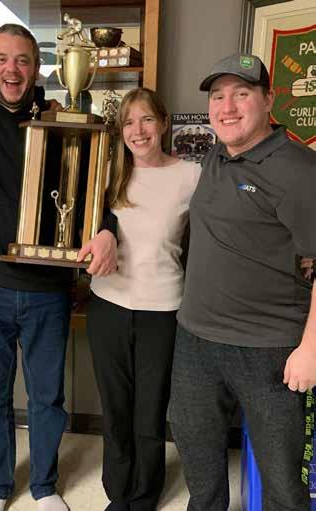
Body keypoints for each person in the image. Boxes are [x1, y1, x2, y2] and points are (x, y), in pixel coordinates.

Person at [0, 24, 117, 511]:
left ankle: (45, 486)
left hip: (48, 290)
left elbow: (96, 190)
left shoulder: (60, 119)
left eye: (23, 60)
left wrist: (108, 228)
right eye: (2, 59)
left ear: (38, 68)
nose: (12, 70)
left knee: (48, 398)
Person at [168, 53, 316, 511]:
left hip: (268, 349)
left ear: (269, 100)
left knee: (282, 482)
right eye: (218, 96)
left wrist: (311, 349)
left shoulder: (300, 170)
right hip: (195, 341)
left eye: (242, 94)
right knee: (198, 460)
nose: (227, 107)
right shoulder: (215, 154)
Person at [86, 87, 201, 511]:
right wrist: (103, 230)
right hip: (108, 306)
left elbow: (215, 233)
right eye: (129, 122)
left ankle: (144, 495)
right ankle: (118, 493)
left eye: (147, 119)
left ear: (164, 124)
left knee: (149, 412)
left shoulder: (192, 175)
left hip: (163, 310)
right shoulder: (107, 173)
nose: (139, 130)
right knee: (115, 408)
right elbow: (87, 222)